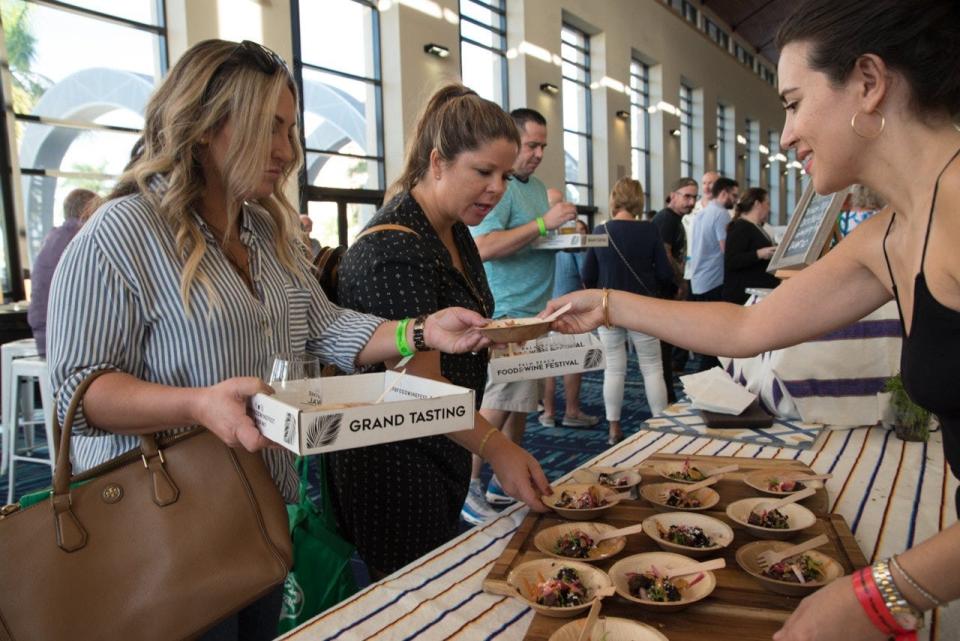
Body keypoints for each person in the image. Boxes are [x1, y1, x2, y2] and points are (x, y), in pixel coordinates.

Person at [46, 40, 490, 641]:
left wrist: (419, 330)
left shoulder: (262, 228)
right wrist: (195, 403)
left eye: (290, 129)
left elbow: (328, 327)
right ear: (204, 128)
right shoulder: (122, 231)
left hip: (258, 509)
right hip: (162, 524)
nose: (286, 150)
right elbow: (78, 390)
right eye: (268, 128)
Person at [543, 0, 960, 638]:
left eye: (793, 102)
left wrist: (879, 596)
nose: (786, 133)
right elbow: (745, 330)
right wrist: (607, 304)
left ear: (870, 84)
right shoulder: (893, 232)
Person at [328, 84, 551, 576]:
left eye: (505, 175)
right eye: (483, 172)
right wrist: (498, 447)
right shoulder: (395, 249)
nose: (497, 189)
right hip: (395, 466)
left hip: (445, 446)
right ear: (437, 162)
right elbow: (419, 388)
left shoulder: (452, 232)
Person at [463, 108, 579, 524]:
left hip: (535, 312)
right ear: (511, 145)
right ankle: (469, 485)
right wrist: (545, 225)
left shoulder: (537, 188)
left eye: (543, 145)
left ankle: (501, 482)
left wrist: (563, 229)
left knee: (519, 404)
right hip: (506, 312)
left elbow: (535, 236)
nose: (538, 153)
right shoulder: (502, 189)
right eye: (531, 145)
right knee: (496, 403)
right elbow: (485, 245)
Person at [582, 178, 672, 444]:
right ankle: (660, 424)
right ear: (639, 201)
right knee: (652, 368)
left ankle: (614, 429)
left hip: (608, 307)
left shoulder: (600, 229)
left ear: (614, 199)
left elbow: (587, 273)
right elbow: (666, 273)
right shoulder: (650, 230)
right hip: (643, 307)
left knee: (614, 369)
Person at [27, 188, 100, 356]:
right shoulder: (85, 239)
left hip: (43, 335)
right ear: (89, 209)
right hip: (65, 342)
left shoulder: (52, 238)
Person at [540, 218, 595, 428]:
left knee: (549, 365)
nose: (580, 235)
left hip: (547, 309)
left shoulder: (548, 251)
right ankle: (571, 411)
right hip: (570, 313)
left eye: (583, 230)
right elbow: (587, 279)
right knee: (571, 363)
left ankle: (548, 413)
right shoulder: (577, 253)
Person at [651, 177, 697, 401]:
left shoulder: (674, 219)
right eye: (687, 196)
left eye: (694, 197)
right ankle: (665, 397)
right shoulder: (667, 220)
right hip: (662, 291)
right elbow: (666, 254)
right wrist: (680, 282)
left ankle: (666, 394)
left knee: (665, 349)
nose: (691, 202)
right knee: (662, 350)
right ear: (673, 195)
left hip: (667, 289)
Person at [688, 176, 739, 370]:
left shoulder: (702, 213)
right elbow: (726, 249)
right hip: (714, 280)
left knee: (705, 336)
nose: (735, 200)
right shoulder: (721, 215)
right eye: (733, 196)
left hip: (699, 279)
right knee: (715, 338)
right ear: (723, 193)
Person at [722, 187, 780, 304]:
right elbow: (731, 260)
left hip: (757, 291)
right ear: (757, 204)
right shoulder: (740, 227)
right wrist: (759, 254)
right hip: (744, 295)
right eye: (767, 203)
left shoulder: (756, 226)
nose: (769, 208)